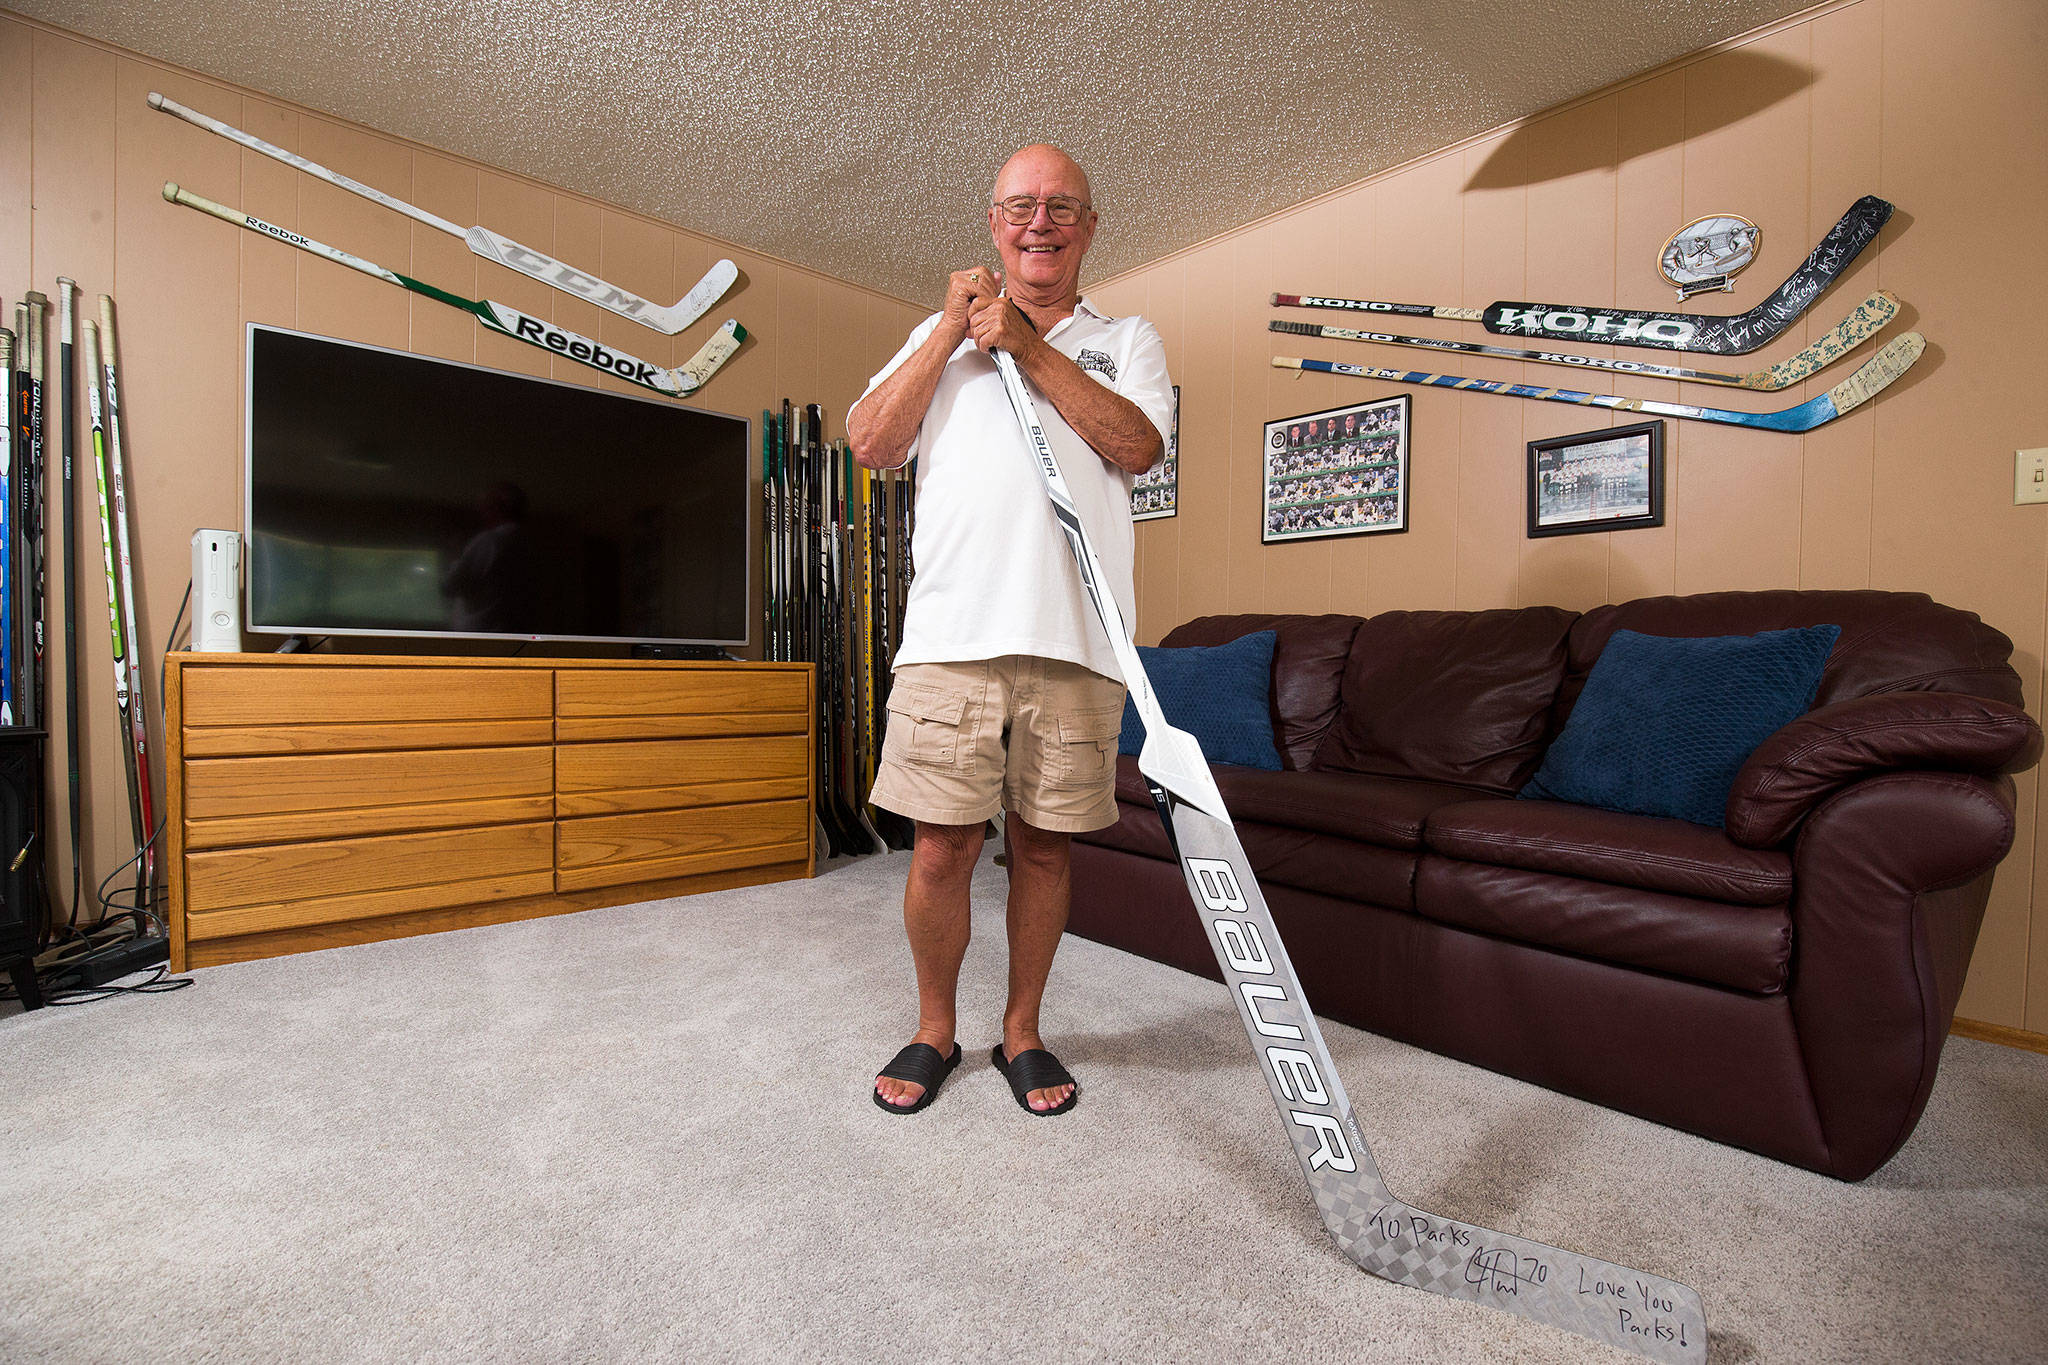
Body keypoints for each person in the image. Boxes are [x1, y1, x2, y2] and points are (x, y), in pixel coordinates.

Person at [848, 144, 1173, 1117]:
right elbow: (870, 442)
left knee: (1043, 848)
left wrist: (1027, 348)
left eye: (1061, 205)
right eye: (1020, 206)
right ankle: (935, 1030)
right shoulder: (937, 337)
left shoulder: (1129, 339)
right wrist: (953, 326)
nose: (1040, 221)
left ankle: (1021, 1032)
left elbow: (1137, 448)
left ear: (1088, 227)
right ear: (992, 223)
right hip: (950, 638)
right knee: (940, 848)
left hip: (1076, 642)